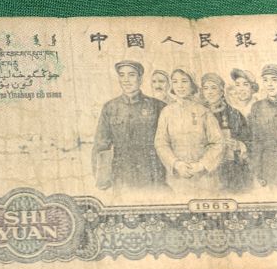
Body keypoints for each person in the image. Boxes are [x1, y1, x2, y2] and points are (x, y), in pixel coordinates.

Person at [93, 60, 166, 191]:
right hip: (121, 176)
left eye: (131, 75)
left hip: (153, 174)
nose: (126, 80)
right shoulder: (110, 107)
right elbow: (101, 145)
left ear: (140, 79)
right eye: (122, 75)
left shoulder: (158, 106)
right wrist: (102, 179)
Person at [154, 70, 226, 198]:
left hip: (204, 178)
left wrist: (201, 165)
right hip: (177, 179)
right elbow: (161, 143)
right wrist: (176, 164)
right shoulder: (166, 112)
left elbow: (218, 143)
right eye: (175, 82)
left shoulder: (204, 112)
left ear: (192, 85)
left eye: (184, 81)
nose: (180, 86)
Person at [200, 72, 250, 193]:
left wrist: (240, 145)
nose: (210, 92)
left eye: (213, 88)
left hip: (229, 169)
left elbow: (249, 140)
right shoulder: (196, 112)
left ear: (222, 91)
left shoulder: (235, 114)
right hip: (203, 169)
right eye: (206, 88)